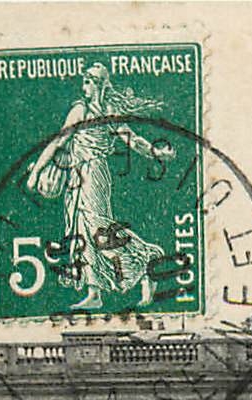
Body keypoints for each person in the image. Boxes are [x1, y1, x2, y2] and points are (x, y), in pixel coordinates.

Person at [24, 64, 174, 311]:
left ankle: (147, 258)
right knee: (81, 232)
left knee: (98, 229)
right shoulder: (79, 110)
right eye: (85, 81)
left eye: (91, 81)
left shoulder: (108, 110)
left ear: (102, 84)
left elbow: (132, 139)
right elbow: (58, 142)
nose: (86, 86)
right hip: (76, 175)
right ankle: (95, 293)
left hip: (95, 174)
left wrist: (154, 152)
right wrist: (38, 170)